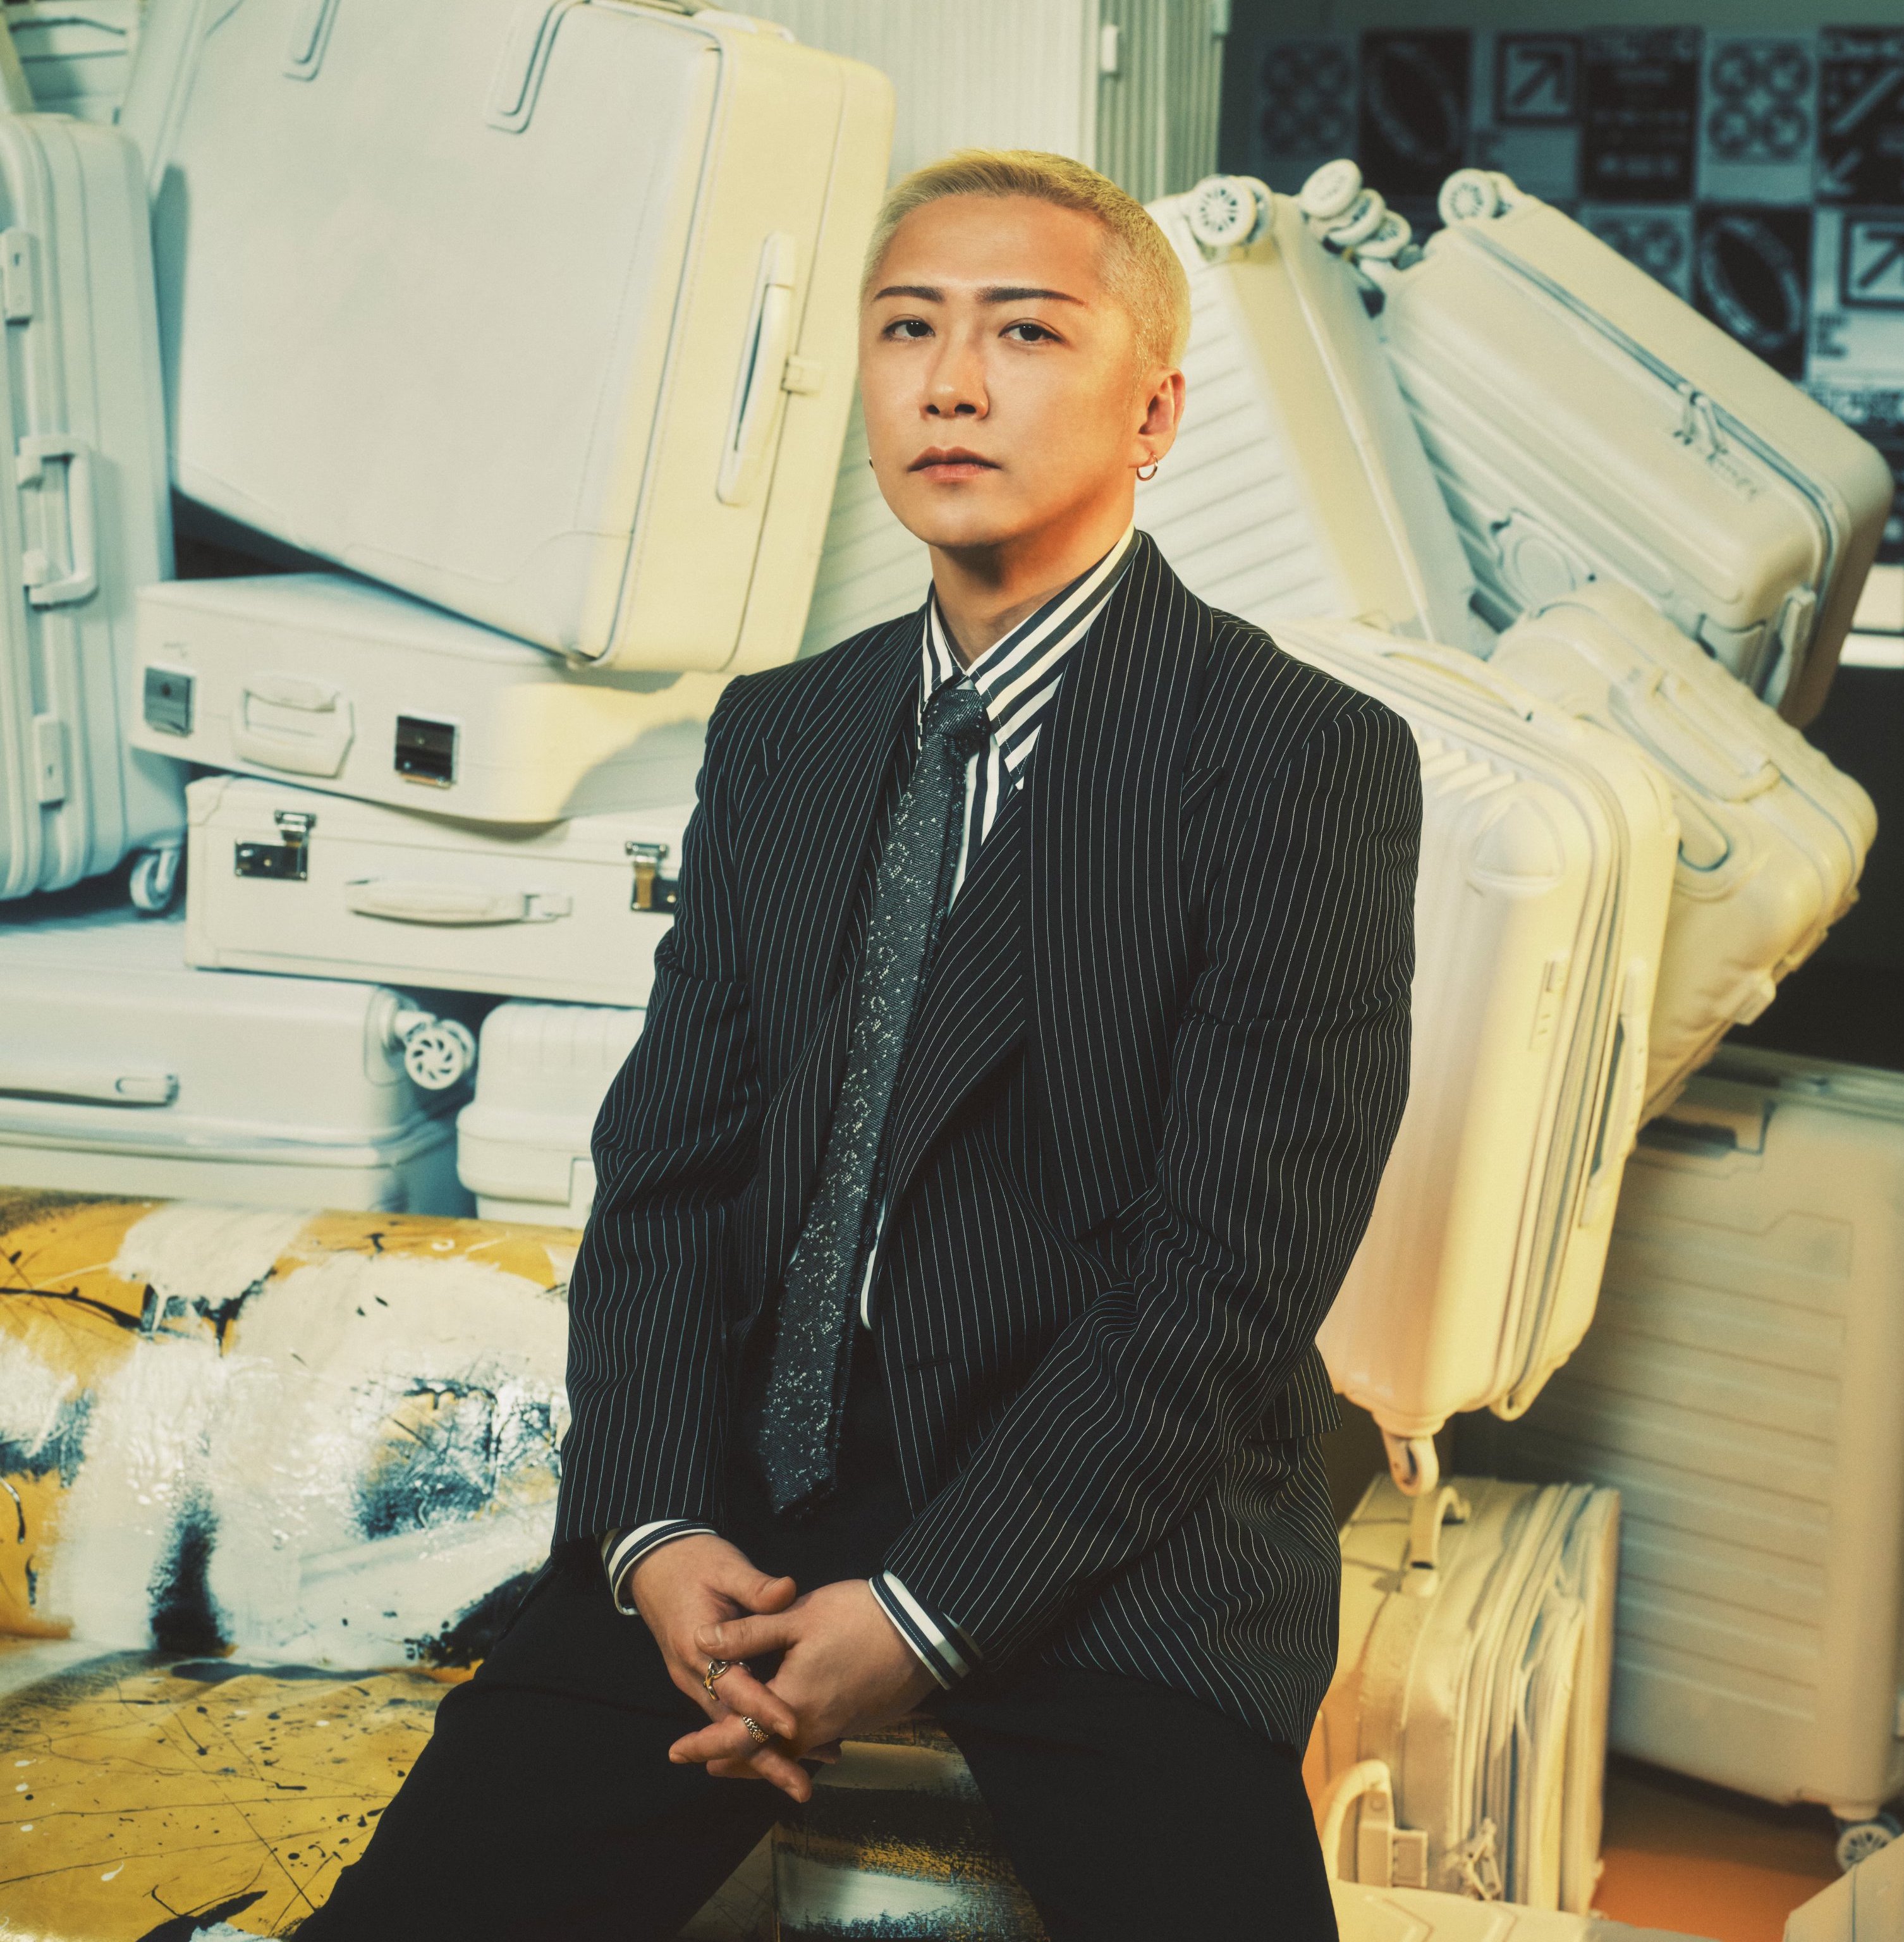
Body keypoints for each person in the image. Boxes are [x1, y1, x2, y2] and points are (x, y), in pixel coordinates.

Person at [302, 148, 1420, 1941]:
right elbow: (667, 1178)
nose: (951, 384)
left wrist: (923, 1617)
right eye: (908, 330)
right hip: (756, 1497)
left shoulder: (1293, 755)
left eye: (1025, 333)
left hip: (1111, 1520)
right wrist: (655, 1529)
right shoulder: (787, 733)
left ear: (1154, 412)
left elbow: (1227, 1285)